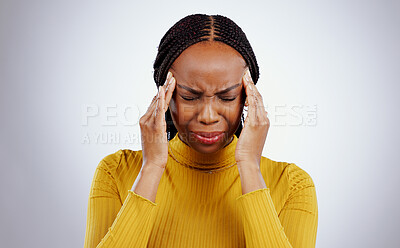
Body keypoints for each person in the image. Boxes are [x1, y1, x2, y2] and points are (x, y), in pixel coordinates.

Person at [84, 14, 318, 248]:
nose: (207, 116)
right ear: (166, 95)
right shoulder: (115, 172)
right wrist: (152, 166)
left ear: (248, 96)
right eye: (189, 97)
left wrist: (249, 166)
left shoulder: (292, 185)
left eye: (227, 97)